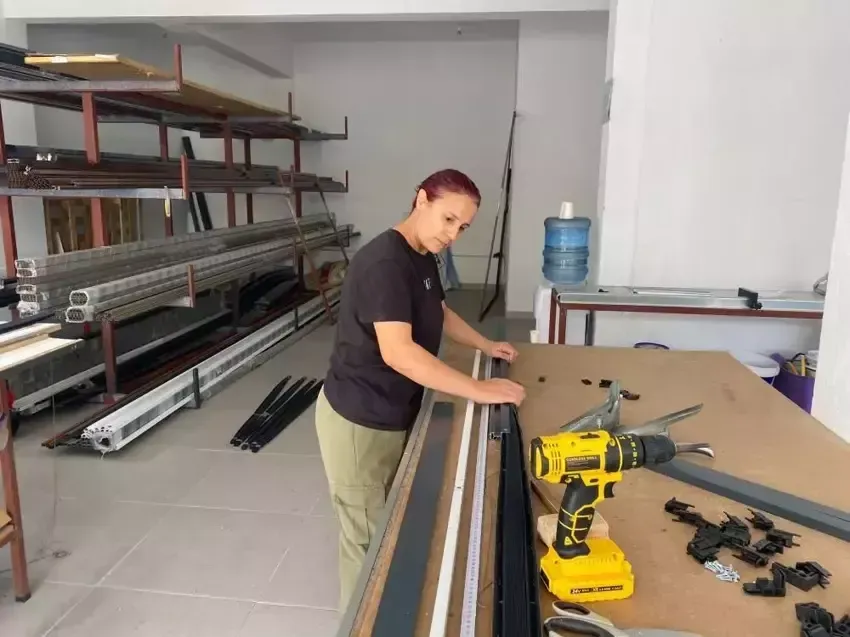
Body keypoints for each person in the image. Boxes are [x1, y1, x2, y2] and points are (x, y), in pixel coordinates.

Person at [314, 168, 526, 610]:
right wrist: (478, 389)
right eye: (448, 219)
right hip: (360, 422)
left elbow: (440, 311)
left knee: (387, 523)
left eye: (463, 227)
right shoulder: (385, 264)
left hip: (393, 409)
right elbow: (400, 354)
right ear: (421, 200)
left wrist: (486, 345)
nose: (453, 234)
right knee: (366, 544)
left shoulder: (422, 254)